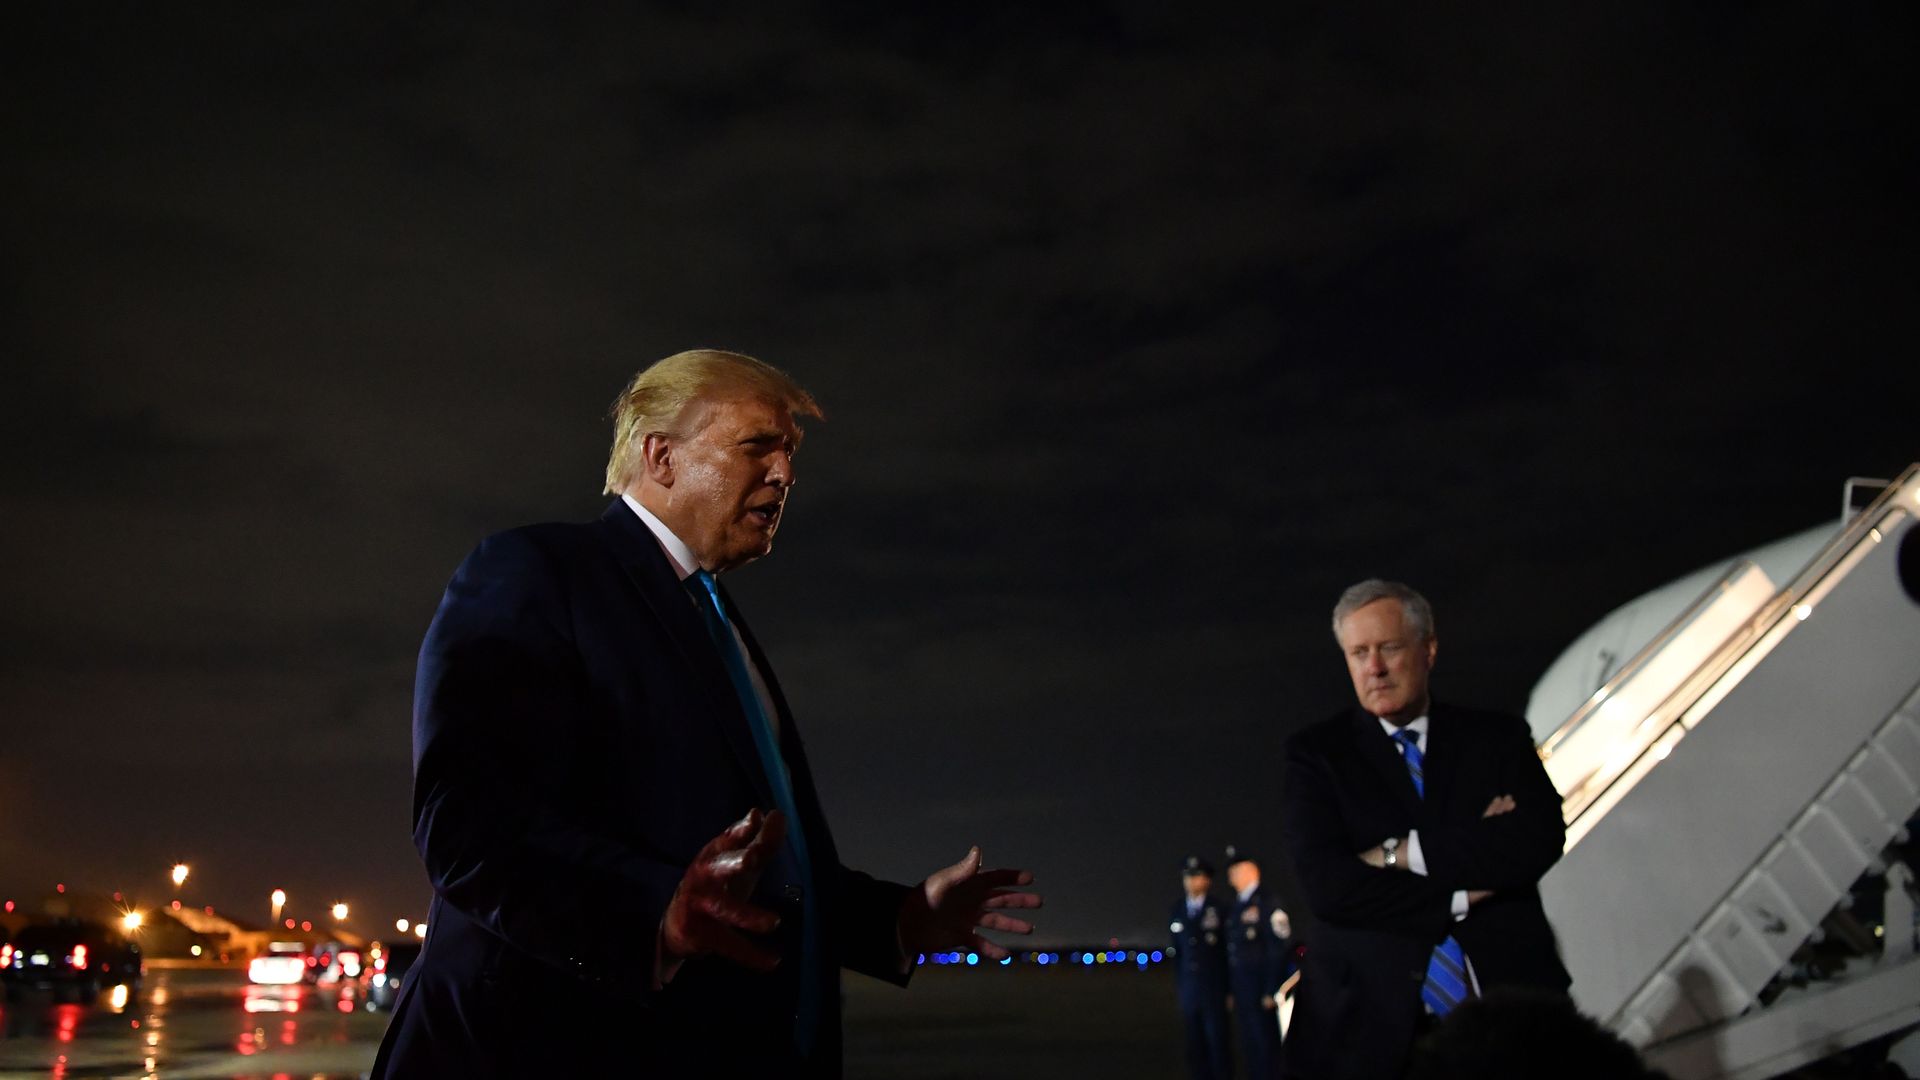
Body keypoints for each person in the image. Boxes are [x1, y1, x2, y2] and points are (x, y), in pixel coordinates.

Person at [371, 349, 1042, 1077]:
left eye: (790, 453)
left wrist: (900, 919)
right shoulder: (535, 573)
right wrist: (654, 915)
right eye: (758, 446)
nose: (785, 474)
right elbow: (469, 824)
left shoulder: (717, 623)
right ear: (661, 456)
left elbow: (756, 876)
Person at [1279, 579, 1571, 1080]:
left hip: (1512, 1015)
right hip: (1370, 1029)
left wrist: (1398, 855)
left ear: (1428, 649)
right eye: (1359, 653)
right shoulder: (1317, 756)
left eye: (1389, 648)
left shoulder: (1496, 738)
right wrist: (1463, 886)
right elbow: (1329, 888)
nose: (1374, 667)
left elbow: (1538, 839)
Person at [1223, 847, 1291, 1079]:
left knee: (1266, 1047)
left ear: (1249, 871)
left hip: (1262, 991)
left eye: (1234, 872)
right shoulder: (1237, 906)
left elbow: (1279, 948)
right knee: (1250, 1046)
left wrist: (1271, 989)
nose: (1230, 879)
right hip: (1243, 990)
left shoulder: (1268, 902)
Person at [1171, 855, 1233, 1080]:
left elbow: (1227, 952)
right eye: (1187, 876)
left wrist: (1229, 990)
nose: (1190, 881)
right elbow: (1178, 952)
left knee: (1218, 1044)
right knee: (1194, 1045)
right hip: (1190, 990)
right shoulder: (1178, 909)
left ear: (1207, 880)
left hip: (1214, 989)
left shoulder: (1219, 909)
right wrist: (1181, 987)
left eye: (1196, 876)